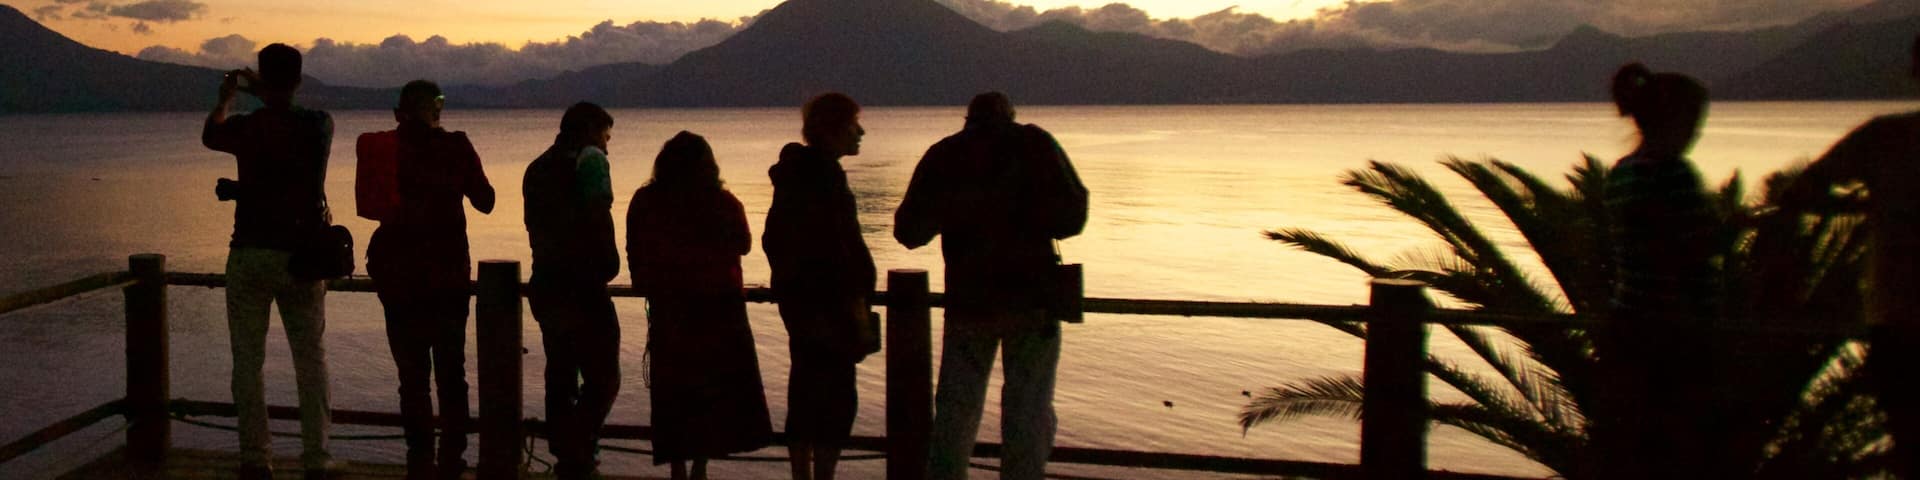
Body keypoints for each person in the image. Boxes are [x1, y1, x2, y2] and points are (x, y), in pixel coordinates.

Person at [895, 92, 1088, 480]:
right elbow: (1072, 217)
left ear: (967, 119)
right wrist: (1027, 215)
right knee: (1029, 406)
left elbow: (910, 232)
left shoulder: (945, 154)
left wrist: (956, 210)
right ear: (1011, 115)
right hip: (1033, 299)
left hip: (970, 299)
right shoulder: (1036, 144)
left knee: (957, 407)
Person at [201, 43, 339, 480]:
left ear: (261, 78)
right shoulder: (319, 126)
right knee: (311, 360)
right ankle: (316, 460)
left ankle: (255, 459)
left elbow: (210, 133)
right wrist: (267, 91)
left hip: (250, 252)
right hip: (302, 256)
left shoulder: (248, 127)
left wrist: (229, 96)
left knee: (247, 362)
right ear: (298, 80)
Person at [1784, 35, 1920, 478]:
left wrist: (1872, 207)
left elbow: (1801, 191)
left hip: (1899, 321)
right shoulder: (1884, 137)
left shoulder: (1885, 138)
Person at [359, 80, 495, 480]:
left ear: (398, 112)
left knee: (412, 375)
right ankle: (453, 459)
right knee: (452, 374)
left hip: (396, 272)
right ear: (435, 108)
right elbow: (485, 202)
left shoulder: (385, 148)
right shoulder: (455, 146)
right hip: (448, 273)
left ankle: (419, 459)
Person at [627, 131, 774, 480]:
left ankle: (677, 466)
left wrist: (644, 280)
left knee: (675, 393)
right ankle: (701, 467)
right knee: (713, 391)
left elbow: (635, 246)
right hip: (721, 309)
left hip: (671, 309)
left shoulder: (647, 201)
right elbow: (745, 242)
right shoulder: (723, 202)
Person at [1599, 63, 1718, 480]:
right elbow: (1690, 249)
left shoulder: (1621, 172)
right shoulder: (1674, 174)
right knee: (1680, 448)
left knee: (1636, 445)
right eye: (1694, 123)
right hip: (1674, 329)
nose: (1697, 133)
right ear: (1677, 121)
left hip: (1628, 320)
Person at [764, 93, 877, 480]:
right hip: (831, 307)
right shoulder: (823, 177)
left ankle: (802, 475)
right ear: (833, 130)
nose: (860, 132)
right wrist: (855, 299)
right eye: (853, 124)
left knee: (806, 393)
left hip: (802, 305)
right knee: (836, 401)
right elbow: (837, 244)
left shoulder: (797, 176)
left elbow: (773, 239)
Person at [523, 102, 621, 480]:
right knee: (604, 379)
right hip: (583, 286)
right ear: (588, 133)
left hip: (546, 283)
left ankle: (568, 457)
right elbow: (598, 216)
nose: (607, 147)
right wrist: (608, 264)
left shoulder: (536, 168)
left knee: (560, 374)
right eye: (604, 137)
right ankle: (578, 447)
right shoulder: (590, 163)